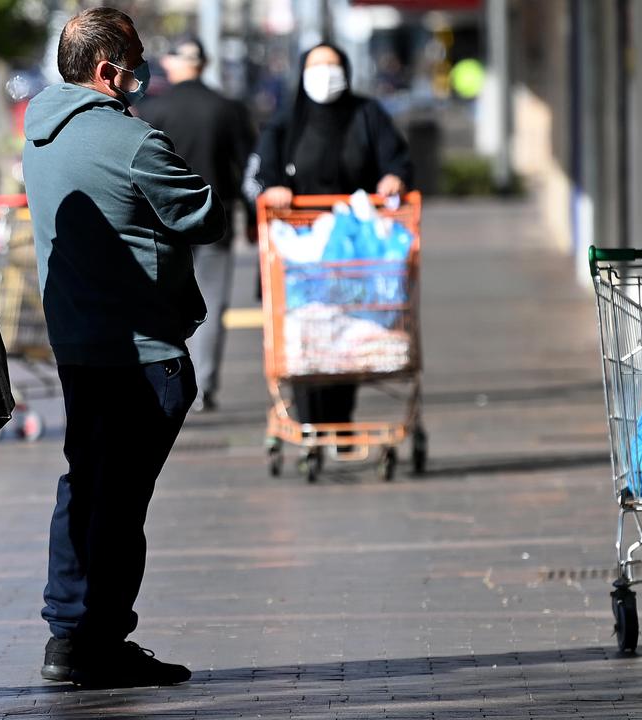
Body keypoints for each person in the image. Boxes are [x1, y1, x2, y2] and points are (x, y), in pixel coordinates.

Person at [22, 7, 225, 688]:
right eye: (135, 62)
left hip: (77, 342)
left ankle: (66, 635)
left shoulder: (40, 126)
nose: (143, 73)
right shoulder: (132, 140)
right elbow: (204, 215)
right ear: (107, 71)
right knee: (119, 503)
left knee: (85, 486)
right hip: (142, 349)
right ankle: (100, 640)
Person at [243, 43, 413, 438]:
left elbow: (397, 160)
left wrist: (394, 178)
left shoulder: (367, 115)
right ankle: (310, 424)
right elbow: (257, 177)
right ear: (302, 73)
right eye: (317, 67)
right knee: (305, 341)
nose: (326, 74)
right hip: (299, 253)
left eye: (333, 66)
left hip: (353, 252)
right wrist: (273, 191)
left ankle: (339, 422)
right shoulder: (285, 122)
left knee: (344, 340)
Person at [138, 38, 257, 413]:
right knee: (213, 302)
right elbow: (250, 171)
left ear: (174, 64)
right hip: (215, 220)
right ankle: (205, 386)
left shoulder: (154, 110)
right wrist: (253, 220)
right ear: (204, 64)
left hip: (162, 222)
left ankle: (164, 378)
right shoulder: (228, 109)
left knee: (159, 302)